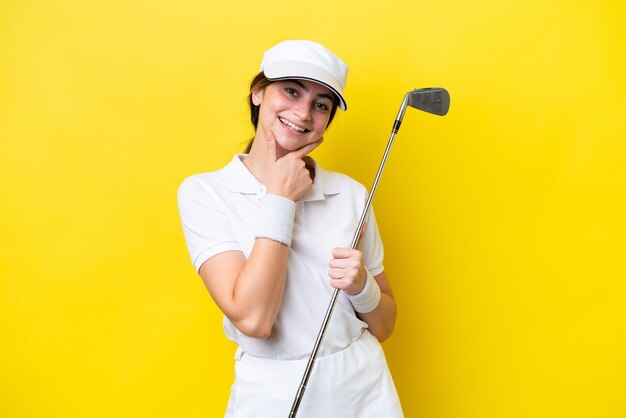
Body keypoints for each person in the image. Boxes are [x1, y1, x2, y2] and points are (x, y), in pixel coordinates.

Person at [177, 40, 404, 417]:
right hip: (271, 394)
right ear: (258, 93)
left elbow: (385, 325)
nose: (302, 112)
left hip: (364, 390)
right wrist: (280, 198)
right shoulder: (205, 193)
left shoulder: (349, 194)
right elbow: (253, 319)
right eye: (291, 91)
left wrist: (362, 286)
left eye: (320, 104)